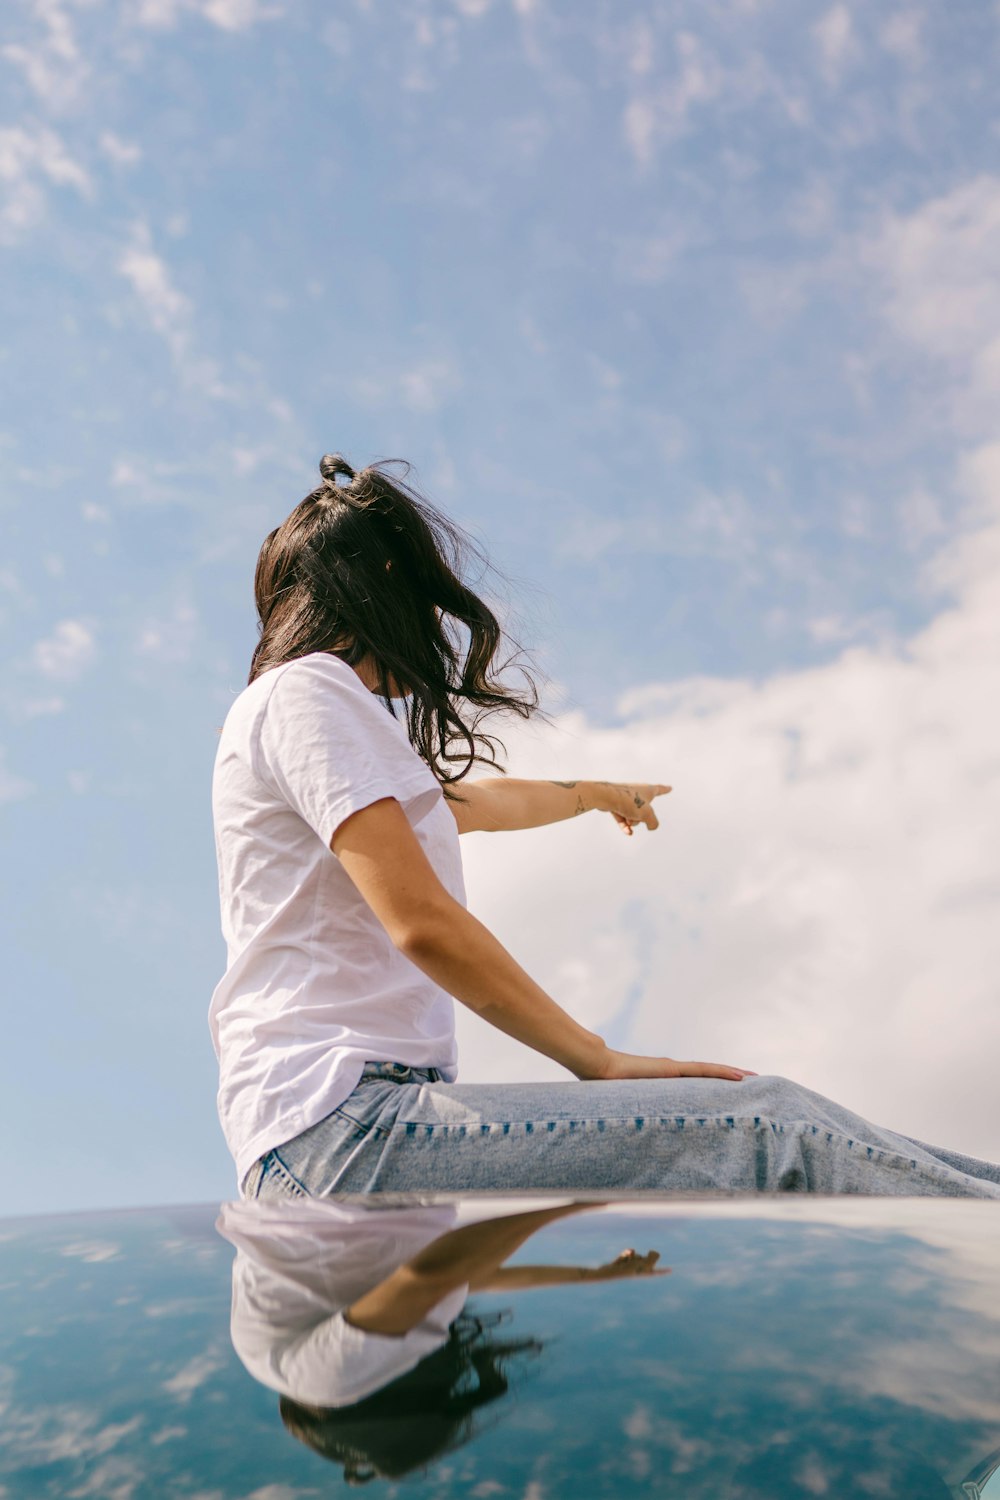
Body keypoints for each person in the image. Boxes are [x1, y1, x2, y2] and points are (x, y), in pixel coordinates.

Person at [209, 454, 1000, 1202]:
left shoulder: (321, 721)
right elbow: (423, 925)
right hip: (338, 1126)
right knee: (767, 1125)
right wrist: (599, 1060)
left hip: (335, 1134)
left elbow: (475, 805)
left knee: (781, 1121)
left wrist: (590, 793)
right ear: (388, 580)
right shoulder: (309, 694)